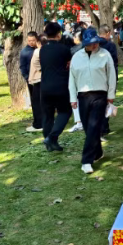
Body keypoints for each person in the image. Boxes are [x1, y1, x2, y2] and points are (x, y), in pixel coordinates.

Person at [69, 28, 117, 174]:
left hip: (100, 95)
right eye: (91, 43)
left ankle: (86, 160)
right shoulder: (76, 57)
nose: (95, 45)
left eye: (96, 42)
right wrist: (72, 98)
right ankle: (98, 152)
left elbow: (112, 75)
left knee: (93, 126)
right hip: (82, 96)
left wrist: (111, 94)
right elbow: (72, 79)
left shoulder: (105, 54)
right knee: (88, 128)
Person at [38, 22, 73, 151]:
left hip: (45, 86)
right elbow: (69, 65)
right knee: (65, 112)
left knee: (48, 115)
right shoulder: (64, 49)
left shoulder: (42, 49)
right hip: (61, 86)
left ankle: (50, 143)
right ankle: (51, 138)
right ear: (59, 34)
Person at [20, 32, 42, 133]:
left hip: (42, 79)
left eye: (33, 40)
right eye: (29, 41)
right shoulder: (24, 52)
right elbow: (22, 67)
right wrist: (27, 78)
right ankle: (37, 120)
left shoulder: (40, 49)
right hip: (32, 80)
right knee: (35, 102)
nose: (31, 42)